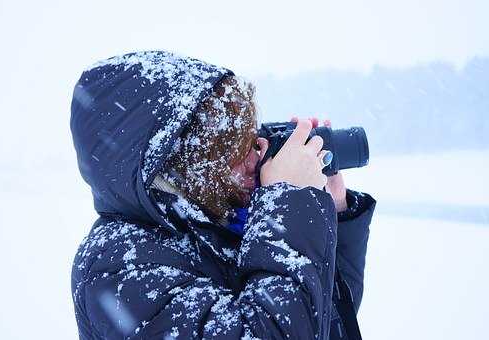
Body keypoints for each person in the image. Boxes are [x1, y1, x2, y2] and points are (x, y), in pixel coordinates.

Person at [70, 50, 376, 339]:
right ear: (181, 165)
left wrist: (328, 214)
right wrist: (290, 203)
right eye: (234, 148)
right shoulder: (118, 267)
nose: (258, 154)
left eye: (253, 137)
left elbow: (319, 322)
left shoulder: (216, 224)